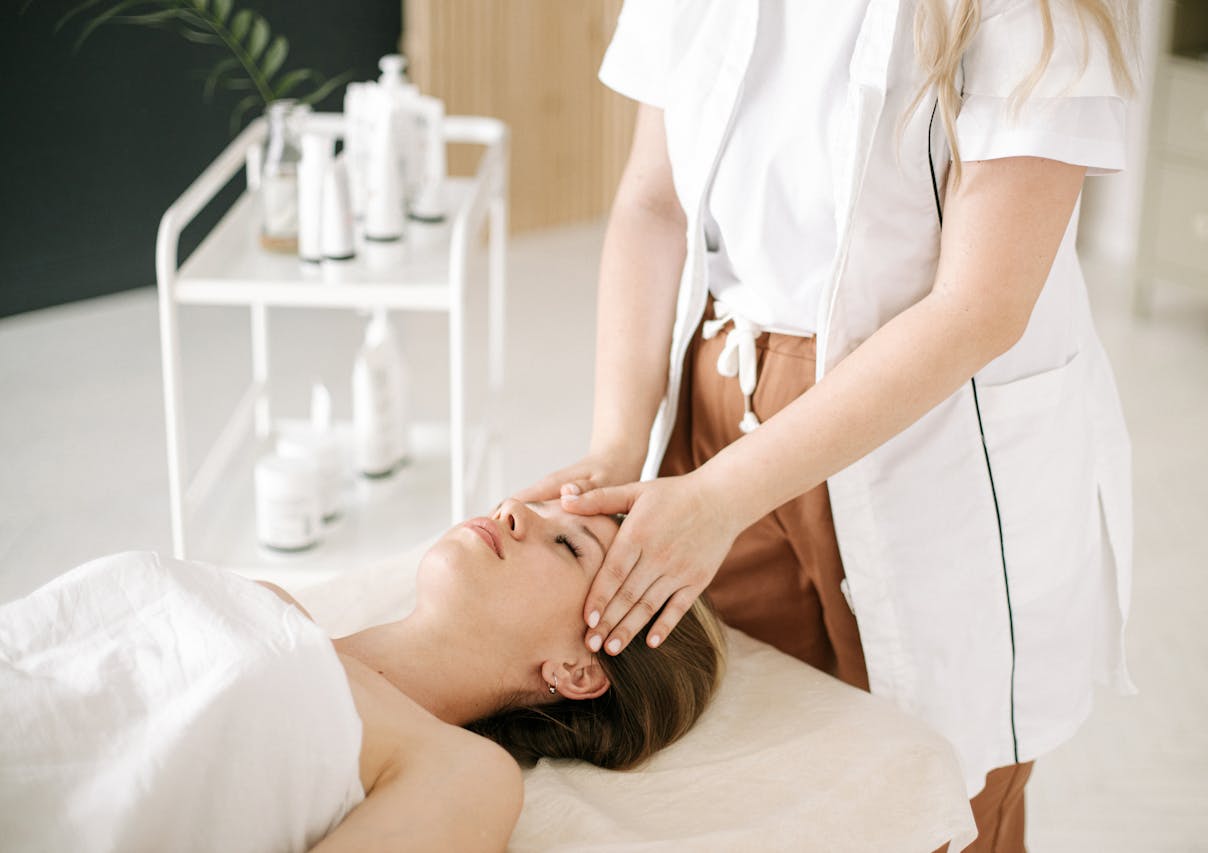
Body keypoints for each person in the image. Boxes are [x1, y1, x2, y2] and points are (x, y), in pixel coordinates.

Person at [517, 1, 1140, 849]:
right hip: (719, 407)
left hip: (923, 425)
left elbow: (980, 305)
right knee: (752, 772)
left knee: (946, 794)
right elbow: (652, 203)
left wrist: (718, 497)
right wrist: (620, 442)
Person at [0, 499, 725, 853]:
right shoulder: (270, 602)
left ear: (577, 670)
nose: (513, 508)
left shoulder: (462, 771)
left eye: (568, 544)